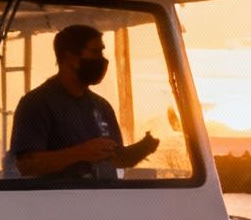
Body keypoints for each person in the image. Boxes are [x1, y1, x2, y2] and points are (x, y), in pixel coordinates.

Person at [9, 24, 158, 179]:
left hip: (106, 201)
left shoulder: (101, 106)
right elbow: (27, 166)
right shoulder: (37, 104)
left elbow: (116, 159)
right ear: (71, 57)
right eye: (96, 52)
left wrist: (144, 147)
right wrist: (78, 153)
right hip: (61, 202)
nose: (102, 60)